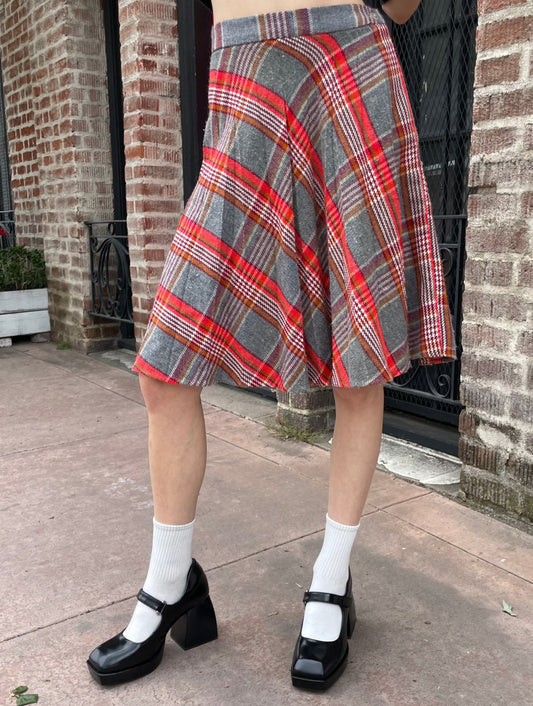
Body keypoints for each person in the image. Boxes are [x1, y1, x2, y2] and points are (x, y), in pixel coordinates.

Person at [87, 0, 455, 692]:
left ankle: (331, 580)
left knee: (359, 364)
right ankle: (173, 582)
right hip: (243, 67)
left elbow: (404, 7)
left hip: (349, 58)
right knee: (165, 368)